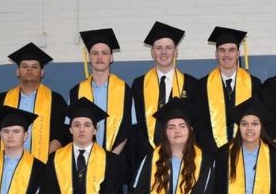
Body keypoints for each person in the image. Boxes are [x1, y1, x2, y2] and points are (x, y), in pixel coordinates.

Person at [0, 43, 68, 163]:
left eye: (35, 67)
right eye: (24, 66)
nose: (29, 69)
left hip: (44, 165)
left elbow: (60, 135)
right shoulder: (2, 100)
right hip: (8, 164)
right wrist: (3, 159)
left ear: (42, 72)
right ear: (17, 72)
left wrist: (45, 162)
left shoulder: (55, 100)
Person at [132, 21, 198, 161]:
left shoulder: (191, 84)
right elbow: (137, 125)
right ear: (152, 52)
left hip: (183, 155)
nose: (163, 52)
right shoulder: (139, 85)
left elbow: (195, 125)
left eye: (168, 48)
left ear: (176, 52)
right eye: (158, 48)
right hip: (147, 154)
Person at [193, 27, 262, 157]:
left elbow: (259, 121)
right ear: (216, 54)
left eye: (231, 50)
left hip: (247, 153)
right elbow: (199, 123)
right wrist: (213, 151)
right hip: (212, 153)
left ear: (238, 53)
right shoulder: (201, 86)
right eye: (222, 50)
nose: (226, 55)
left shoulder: (254, 84)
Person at [70, 28, 134, 156]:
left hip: (117, 158)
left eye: (104, 53)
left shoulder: (124, 89)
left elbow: (128, 128)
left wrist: (111, 158)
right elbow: (71, 128)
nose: (100, 57)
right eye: (95, 53)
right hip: (84, 158)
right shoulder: (76, 91)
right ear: (89, 57)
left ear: (111, 57)